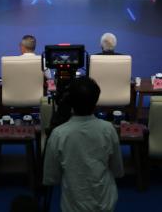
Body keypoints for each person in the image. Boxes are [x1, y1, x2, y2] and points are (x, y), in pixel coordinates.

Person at [43, 77, 124, 212]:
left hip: (72, 207)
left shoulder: (58, 134)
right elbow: (118, 170)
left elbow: (51, 177)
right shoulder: (108, 130)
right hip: (105, 204)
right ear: (96, 100)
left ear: (69, 101)